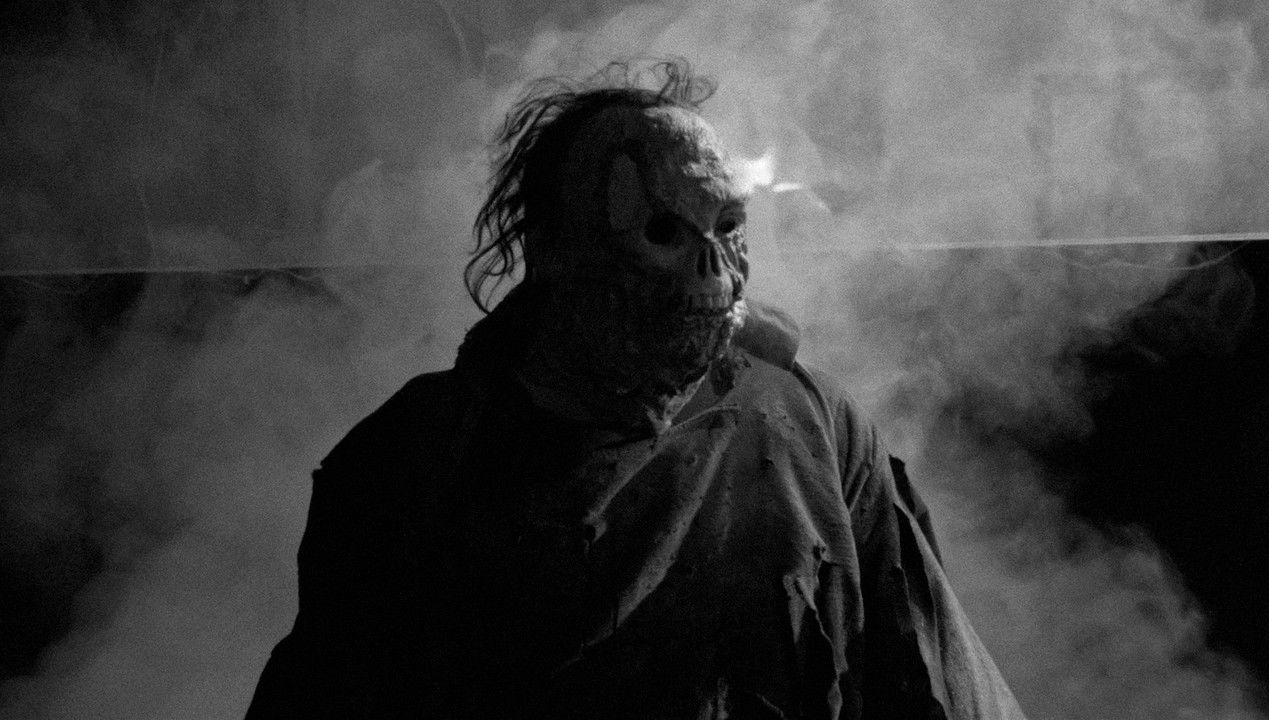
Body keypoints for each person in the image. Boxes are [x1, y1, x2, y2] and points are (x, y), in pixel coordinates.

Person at [245, 60, 1026, 720]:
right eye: (662, 232)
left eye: (728, 227)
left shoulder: (810, 421)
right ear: (553, 249)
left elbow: (929, 678)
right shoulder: (413, 460)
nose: (714, 268)